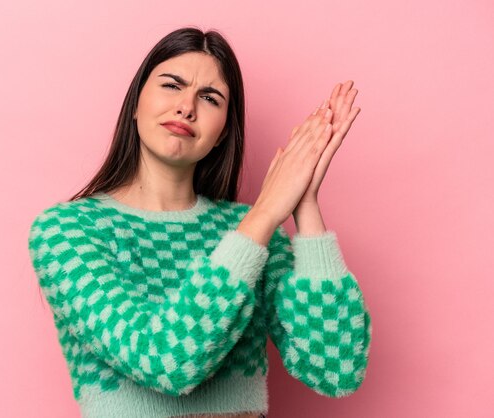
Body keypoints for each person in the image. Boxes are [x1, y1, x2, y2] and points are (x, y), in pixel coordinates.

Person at [28, 26, 371, 418]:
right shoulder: (67, 231)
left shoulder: (255, 232)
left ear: (224, 131)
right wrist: (264, 214)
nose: (187, 107)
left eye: (209, 98)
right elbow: (163, 362)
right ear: (136, 104)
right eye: (172, 85)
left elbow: (335, 370)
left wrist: (304, 202)